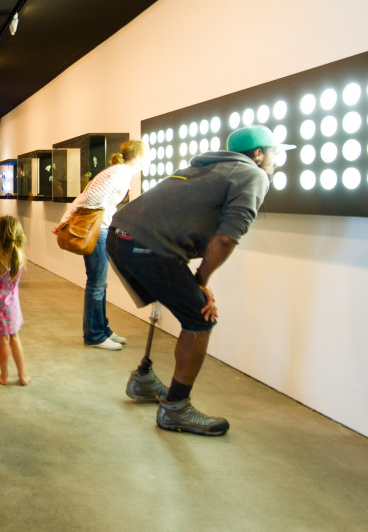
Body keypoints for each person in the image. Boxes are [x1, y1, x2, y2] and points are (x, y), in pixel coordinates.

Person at [108, 124, 291, 436]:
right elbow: (225, 239)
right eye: (274, 152)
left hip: (120, 236)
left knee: (179, 299)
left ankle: (144, 381)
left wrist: (195, 282)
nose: (275, 159)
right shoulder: (253, 175)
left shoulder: (203, 168)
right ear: (258, 154)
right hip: (149, 246)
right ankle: (176, 408)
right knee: (199, 319)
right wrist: (201, 281)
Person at [53, 140, 149, 351]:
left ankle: (102, 329)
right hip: (99, 231)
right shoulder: (120, 173)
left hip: (102, 230)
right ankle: (94, 335)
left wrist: (65, 219)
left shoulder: (116, 171)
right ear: (139, 156)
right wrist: (102, 215)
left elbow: (83, 197)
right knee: (96, 284)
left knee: (100, 284)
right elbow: (91, 198)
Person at [0, 216, 30, 386]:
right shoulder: (19, 256)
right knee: (15, 338)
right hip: (13, 305)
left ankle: (4, 376)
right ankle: (23, 376)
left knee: (2, 341)